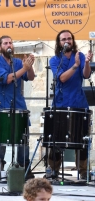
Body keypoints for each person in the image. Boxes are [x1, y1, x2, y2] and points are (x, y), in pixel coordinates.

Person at [48, 30, 93, 179]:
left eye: (69, 38)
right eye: (63, 39)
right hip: (60, 105)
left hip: (79, 103)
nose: (67, 41)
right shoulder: (55, 60)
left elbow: (86, 75)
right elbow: (61, 78)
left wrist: (86, 63)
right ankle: (54, 170)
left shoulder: (79, 56)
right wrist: (75, 66)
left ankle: (83, 171)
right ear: (59, 43)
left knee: (82, 139)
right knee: (56, 138)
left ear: (73, 41)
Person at [0, 35, 35, 179]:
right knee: (1, 138)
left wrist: (30, 66)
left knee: (23, 137)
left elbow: (31, 77)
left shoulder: (17, 61)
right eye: (5, 43)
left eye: (10, 42)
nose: (9, 45)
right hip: (3, 105)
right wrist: (24, 68)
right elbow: (8, 79)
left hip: (19, 105)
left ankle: (24, 167)